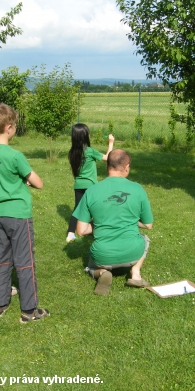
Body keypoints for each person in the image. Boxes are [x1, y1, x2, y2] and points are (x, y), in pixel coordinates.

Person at [0, 103, 49, 323]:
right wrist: (26, 181)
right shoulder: (15, 156)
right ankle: (29, 310)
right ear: (9, 127)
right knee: (24, 261)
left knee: (0, 259)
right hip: (19, 215)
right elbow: (38, 183)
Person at [73, 149, 154, 296]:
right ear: (127, 167)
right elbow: (148, 225)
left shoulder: (91, 191)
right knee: (145, 239)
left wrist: (101, 223)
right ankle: (135, 273)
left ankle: (102, 272)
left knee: (90, 267)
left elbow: (81, 230)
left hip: (102, 256)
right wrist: (130, 221)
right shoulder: (138, 189)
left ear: (107, 166)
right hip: (133, 252)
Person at [66, 123, 114, 243]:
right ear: (85, 136)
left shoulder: (72, 152)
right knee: (96, 207)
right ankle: (99, 230)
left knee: (78, 209)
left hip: (78, 185)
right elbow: (108, 158)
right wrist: (111, 142)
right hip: (91, 186)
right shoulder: (90, 151)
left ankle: (70, 234)